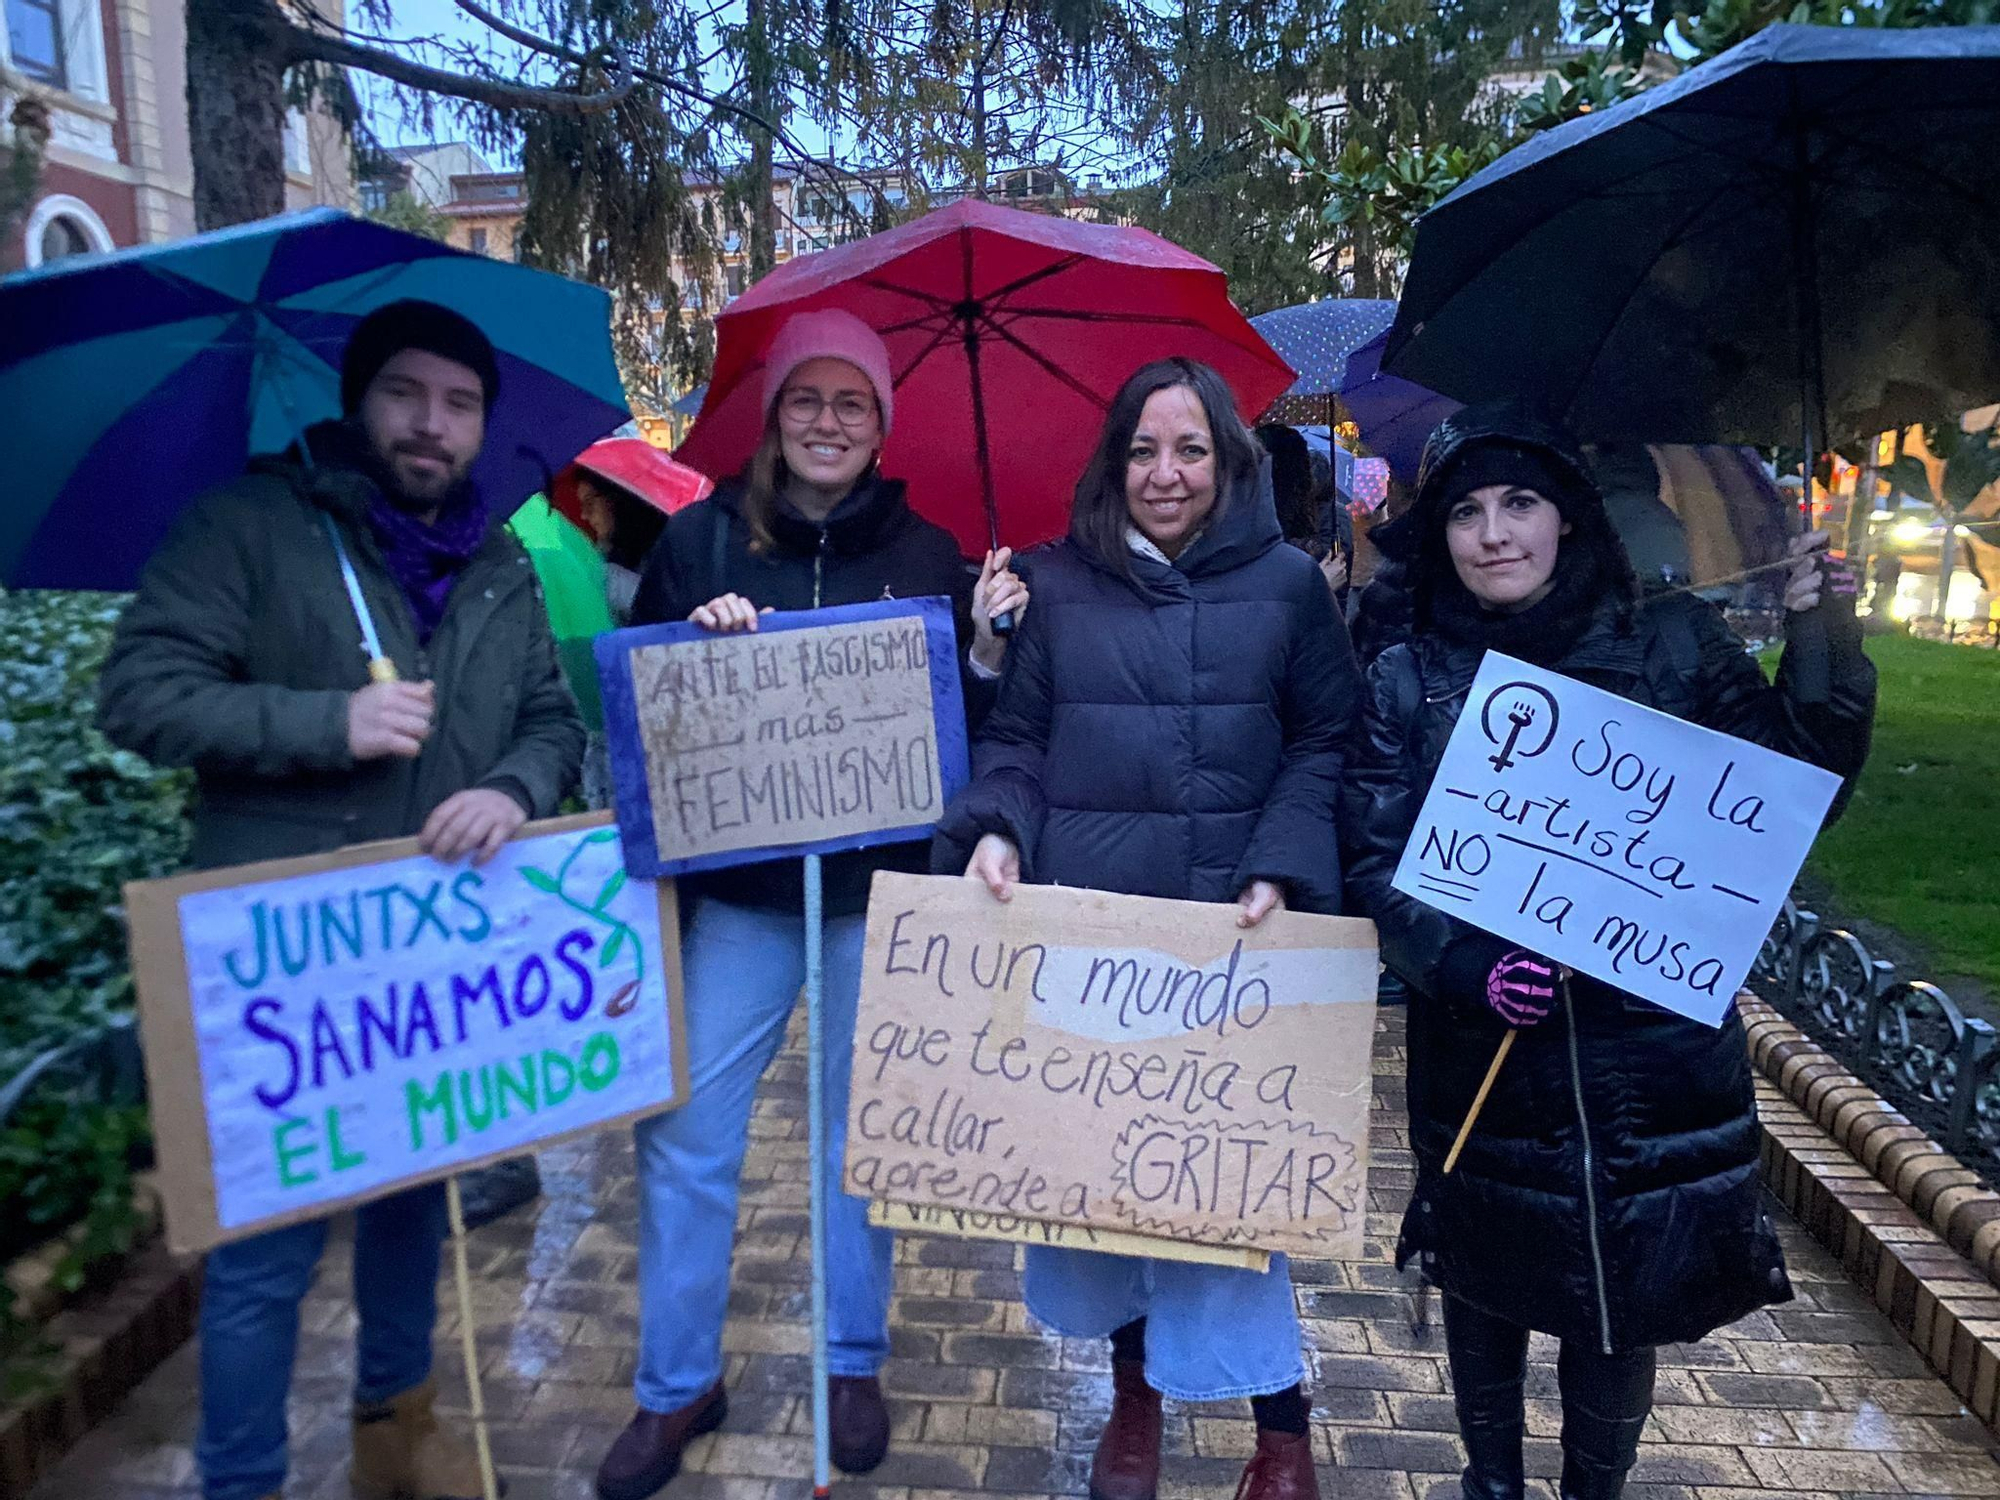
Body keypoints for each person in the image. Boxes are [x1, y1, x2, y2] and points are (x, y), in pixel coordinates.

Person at [1340, 402, 1875, 1500]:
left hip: (1649, 1065)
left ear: (1568, 522)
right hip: (1487, 1052)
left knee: (1613, 1280)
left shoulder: (1673, 645)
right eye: (1467, 512)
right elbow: (1371, 857)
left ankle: (1595, 1487)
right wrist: (1461, 968)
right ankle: (1490, 1483)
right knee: (1483, 1272)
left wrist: (1826, 639)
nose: (1493, 533)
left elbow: (1788, 794)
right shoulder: (1408, 676)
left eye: (1519, 504)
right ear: (1438, 533)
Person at [98, 300, 586, 1500]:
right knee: (264, 1256)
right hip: (285, 956)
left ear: (483, 423)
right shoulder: (251, 526)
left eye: (460, 404)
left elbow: (549, 722)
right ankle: (242, 1480)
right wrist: (330, 721)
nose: (432, 425)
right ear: (359, 402)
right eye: (406, 395)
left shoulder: (500, 556)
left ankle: (398, 1435)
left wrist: (515, 793)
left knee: (414, 1210)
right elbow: (142, 695)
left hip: (428, 953)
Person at [595, 309, 1025, 1500]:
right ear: (775, 419)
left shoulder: (933, 555)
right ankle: (675, 1384)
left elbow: (970, 744)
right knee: (685, 1139)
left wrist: (985, 652)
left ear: (880, 427)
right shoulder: (696, 546)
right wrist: (698, 645)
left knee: (858, 1140)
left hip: (870, 901)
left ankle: (850, 1356)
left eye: (851, 404)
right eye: (806, 401)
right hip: (739, 900)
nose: (827, 422)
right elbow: (638, 727)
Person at [936, 358, 1361, 1500]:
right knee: (1115, 1179)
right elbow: (1015, 741)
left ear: (1226, 462)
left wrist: (1280, 860)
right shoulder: (1050, 586)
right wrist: (997, 831)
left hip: (1235, 934)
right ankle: (1135, 1398)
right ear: (1111, 462)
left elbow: (1328, 738)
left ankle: (1283, 1435)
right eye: (1141, 449)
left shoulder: (1285, 587)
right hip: (1095, 938)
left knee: (1237, 1194)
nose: (1163, 473)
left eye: (1187, 450)